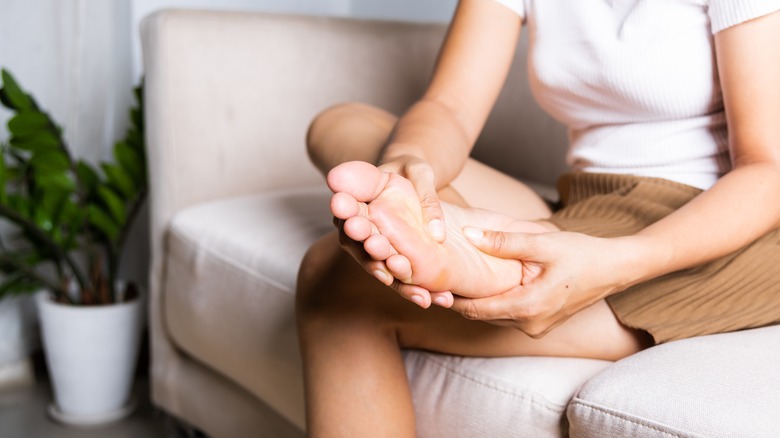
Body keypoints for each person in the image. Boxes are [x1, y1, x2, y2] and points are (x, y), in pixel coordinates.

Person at [295, 0, 780, 435]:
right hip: (592, 203)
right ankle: (439, 224)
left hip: (713, 223)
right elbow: (449, 107)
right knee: (340, 126)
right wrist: (411, 161)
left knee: (334, 280)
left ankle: (475, 250)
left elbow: (768, 170)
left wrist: (616, 262)